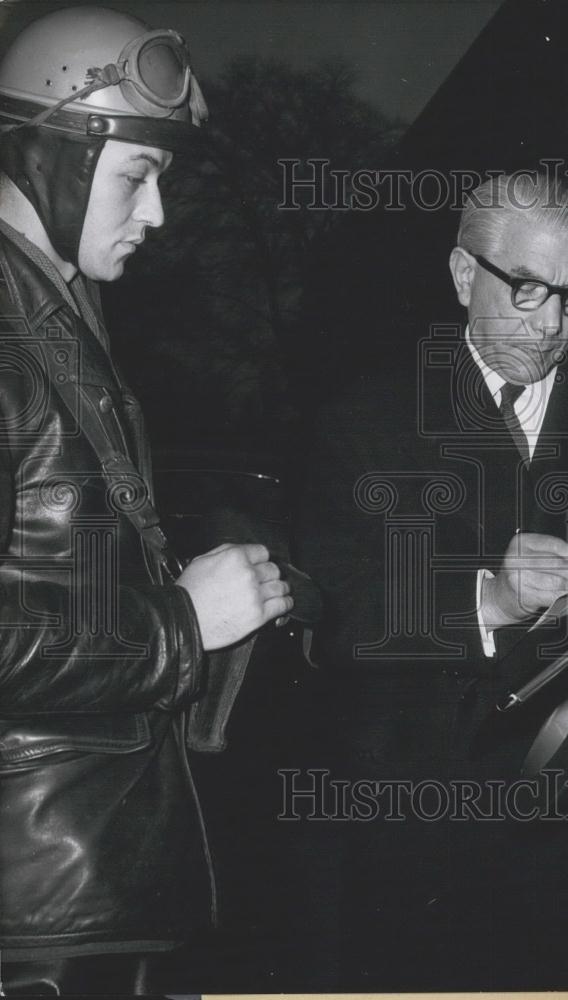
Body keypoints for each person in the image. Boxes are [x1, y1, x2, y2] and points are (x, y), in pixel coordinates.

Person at [295, 170, 568, 987]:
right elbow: (334, 618)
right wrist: (488, 597)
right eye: (530, 290)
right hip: (417, 834)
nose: (552, 327)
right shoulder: (365, 418)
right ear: (464, 274)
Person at [0, 7, 293, 995]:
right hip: (41, 913)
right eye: (136, 175)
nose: (159, 213)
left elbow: (59, 572)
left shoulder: (53, 316)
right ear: (49, 157)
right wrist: (182, 622)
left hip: (91, 880)